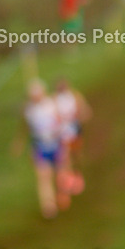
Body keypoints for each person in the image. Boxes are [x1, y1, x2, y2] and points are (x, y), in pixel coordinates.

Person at [19, 79, 63, 218]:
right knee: (44, 176)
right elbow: (26, 128)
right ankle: (48, 205)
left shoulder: (52, 105)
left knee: (58, 173)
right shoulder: (29, 110)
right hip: (40, 145)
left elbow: (60, 123)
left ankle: (59, 196)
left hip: (55, 144)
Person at [53, 79, 92, 196]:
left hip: (74, 130)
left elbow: (86, 113)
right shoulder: (54, 99)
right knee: (65, 156)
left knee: (76, 155)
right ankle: (67, 182)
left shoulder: (75, 96)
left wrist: (76, 116)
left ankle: (76, 177)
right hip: (62, 133)